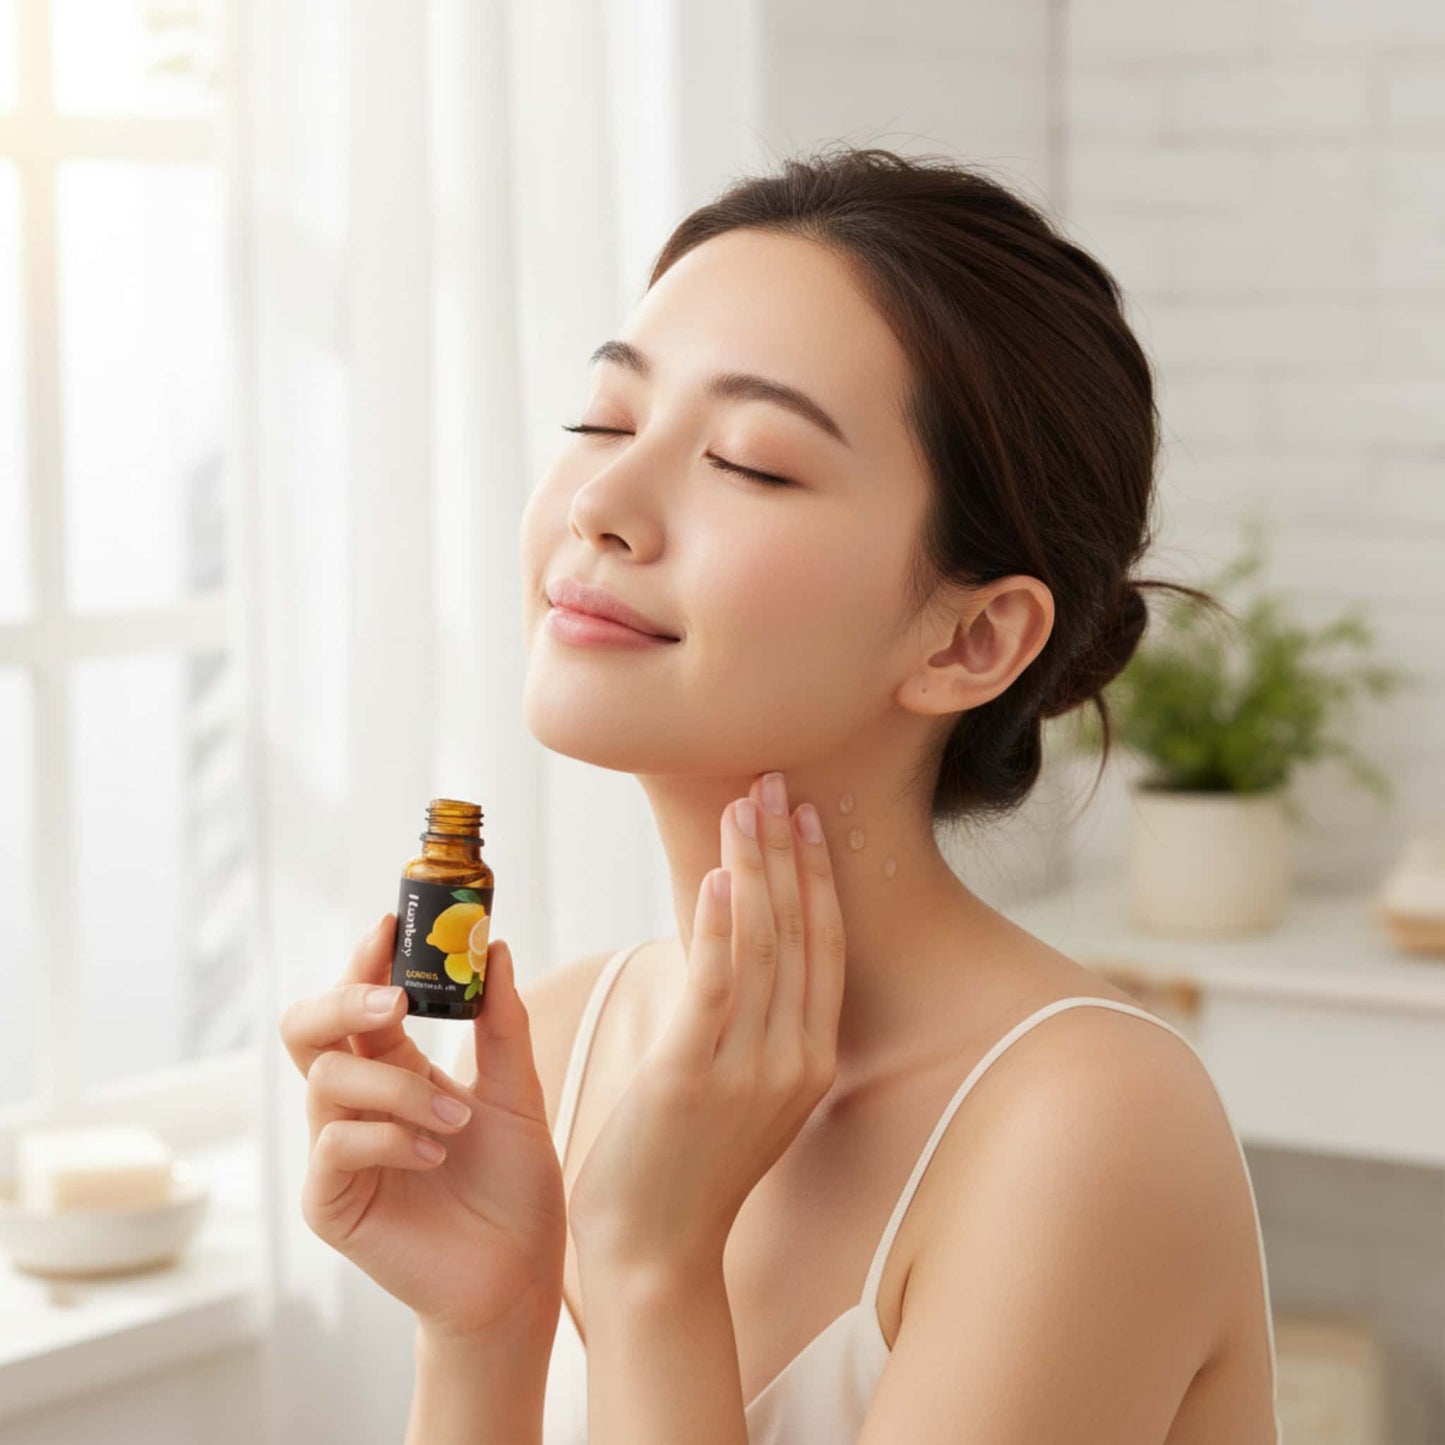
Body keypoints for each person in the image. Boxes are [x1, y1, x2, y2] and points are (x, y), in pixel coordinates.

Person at [281, 142, 1282, 1444]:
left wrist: (648, 1265)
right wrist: (482, 1324)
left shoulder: (1084, 1130)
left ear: (967, 640)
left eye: (748, 461)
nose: (602, 502)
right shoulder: (570, 1039)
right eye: (605, 421)